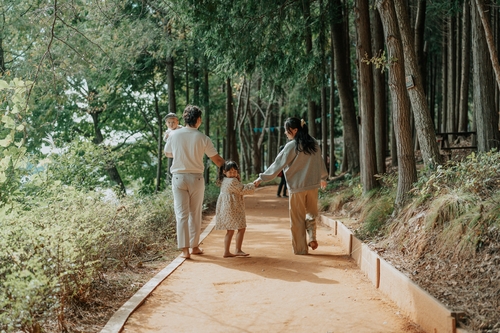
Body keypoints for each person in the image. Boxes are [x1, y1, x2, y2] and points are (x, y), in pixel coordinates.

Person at [253, 117, 328, 255]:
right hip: (312, 186)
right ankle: (312, 237)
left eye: (287, 130)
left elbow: (277, 164)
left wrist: (261, 178)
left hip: (297, 188)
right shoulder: (314, 143)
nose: (285, 133)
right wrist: (323, 177)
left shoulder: (292, 146)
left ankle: (301, 249)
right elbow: (320, 161)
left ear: (294, 130)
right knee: (311, 213)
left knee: (297, 219)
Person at [164, 105, 225, 259]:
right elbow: (217, 160)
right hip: (196, 178)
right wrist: (230, 170)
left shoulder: (174, 135)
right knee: (195, 213)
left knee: (181, 214)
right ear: (198, 120)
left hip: (178, 178)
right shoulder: (203, 138)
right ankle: (195, 246)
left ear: (184, 119)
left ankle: (185, 250)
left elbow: (168, 153)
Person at [214, 161, 255, 258]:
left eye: (235, 171)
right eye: (230, 172)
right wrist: (253, 185)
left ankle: (226, 251)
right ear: (225, 172)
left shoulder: (224, 180)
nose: (233, 174)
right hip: (233, 208)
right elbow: (242, 190)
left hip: (226, 208)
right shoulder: (232, 181)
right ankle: (238, 249)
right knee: (241, 227)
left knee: (230, 230)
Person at [163, 113, 183, 182]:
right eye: (169, 122)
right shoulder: (168, 132)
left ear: (177, 122)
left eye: (173, 122)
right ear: (166, 124)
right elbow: (165, 140)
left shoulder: (181, 129)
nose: (171, 124)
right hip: (174, 151)